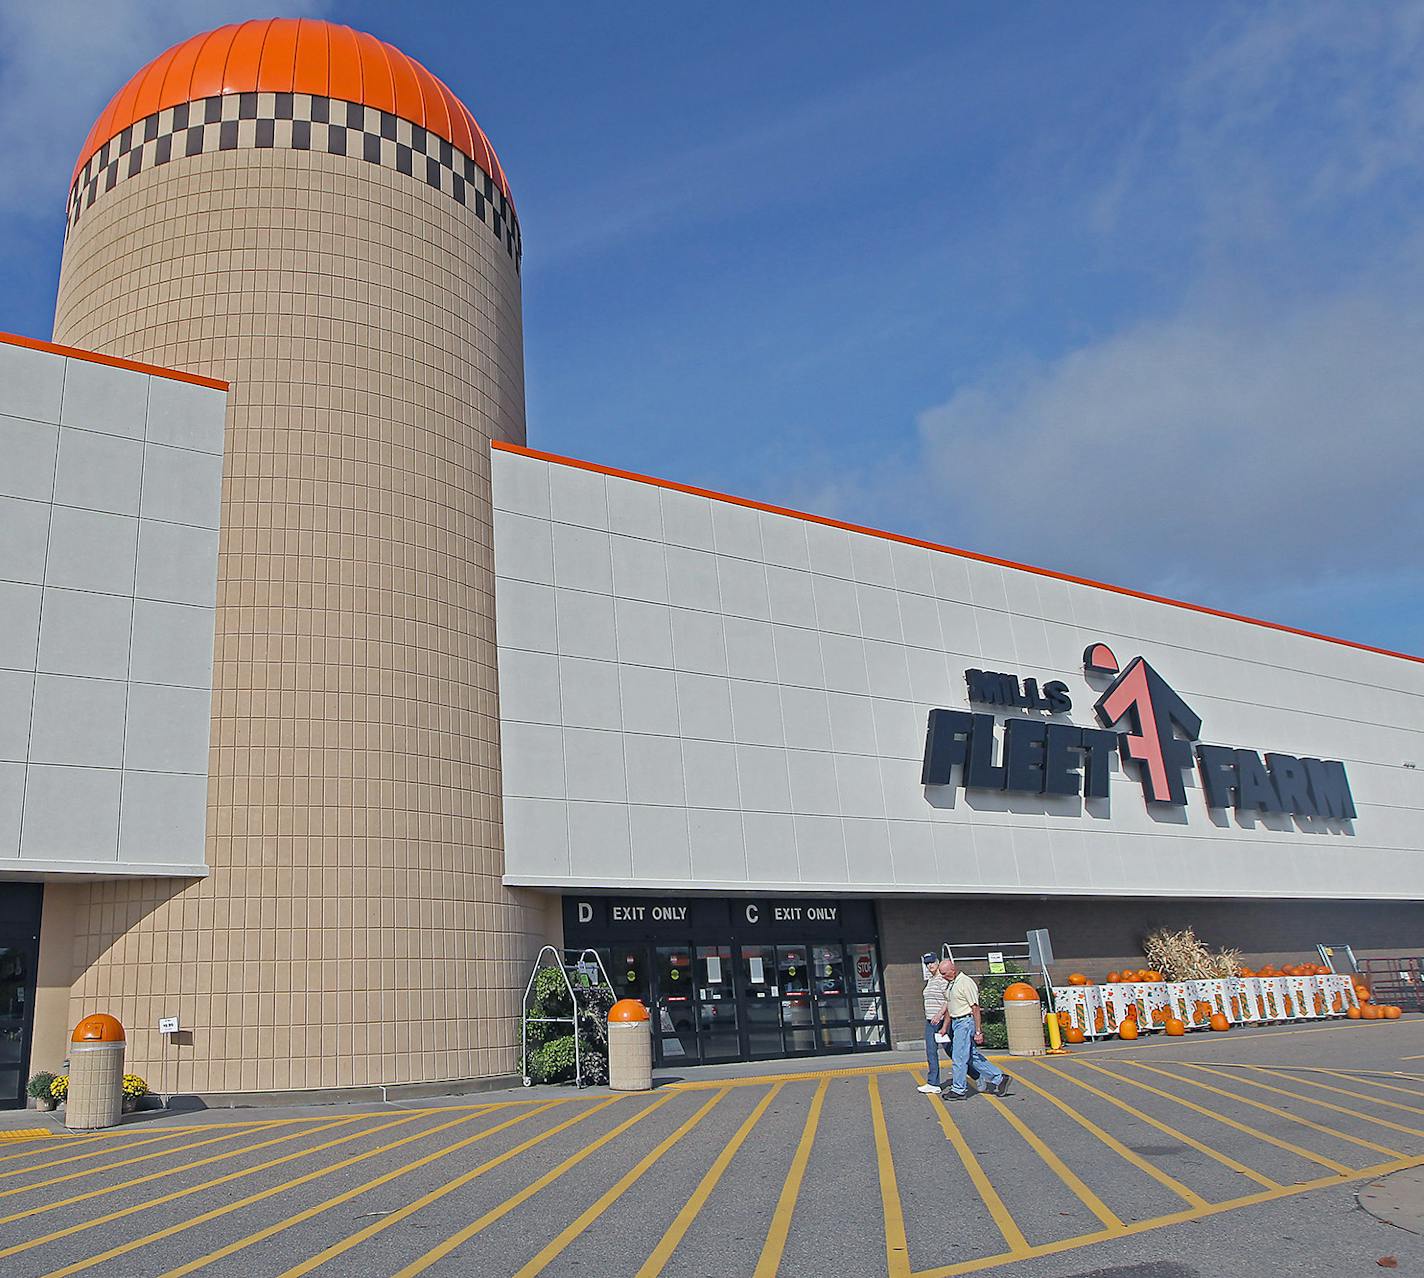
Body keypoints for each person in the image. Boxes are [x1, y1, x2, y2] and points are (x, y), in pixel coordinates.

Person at [940, 958, 1008, 1099]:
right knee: (971, 1056)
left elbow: (975, 1008)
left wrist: (978, 1031)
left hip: (965, 1022)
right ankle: (999, 1078)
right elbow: (949, 1006)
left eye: (944, 973)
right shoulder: (951, 985)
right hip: (956, 1022)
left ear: (953, 970)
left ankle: (959, 1089)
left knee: (959, 1057)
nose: (942, 976)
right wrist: (945, 1027)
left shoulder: (965, 983)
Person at [918, 951, 951, 1094]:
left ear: (938, 962)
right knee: (931, 1051)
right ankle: (933, 1083)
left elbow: (949, 999)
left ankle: (981, 1074)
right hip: (930, 1020)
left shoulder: (942, 979)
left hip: (942, 1021)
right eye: (927, 963)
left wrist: (940, 1014)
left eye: (931, 962)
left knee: (954, 1051)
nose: (929, 965)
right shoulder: (931, 980)